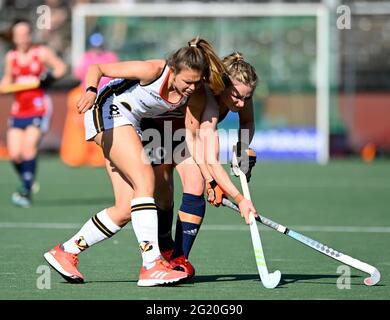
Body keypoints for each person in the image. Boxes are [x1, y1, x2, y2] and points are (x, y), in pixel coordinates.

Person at [43, 37, 242, 287]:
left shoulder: (196, 94)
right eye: (187, 82)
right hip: (108, 111)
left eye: (196, 82)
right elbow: (99, 69)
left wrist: (210, 177)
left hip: (131, 123)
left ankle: (66, 251)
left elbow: (192, 139)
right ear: (173, 70)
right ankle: (151, 265)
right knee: (145, 180)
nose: (191, 88)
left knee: (126, 208)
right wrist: (91, 90)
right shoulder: (153, 70)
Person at [141, 52, 258, 277]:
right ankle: (165, 246)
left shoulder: (240, 95)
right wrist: (238, 198)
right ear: (222, 85)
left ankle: (179, 259)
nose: (241, 103)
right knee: (163, 196)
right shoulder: (209, 99)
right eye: (236, 96)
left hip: (186, 135)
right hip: (157, 128)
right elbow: (210, 157)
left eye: (247, 97)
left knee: (194, 184)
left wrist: (242, 148)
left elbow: (248, 121)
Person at [0, 19, 67, 208]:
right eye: (18, 34)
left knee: (29, 148)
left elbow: (61, 67)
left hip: (39, 107)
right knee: (15, 154)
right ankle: (27, 178)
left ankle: (26, 191)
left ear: (30, 35)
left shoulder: (41, 53)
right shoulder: (11, 57)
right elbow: (7, 78)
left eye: (25, 34)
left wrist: (49, 78)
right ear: (13, 37)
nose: (22, 38)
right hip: (19, 109)